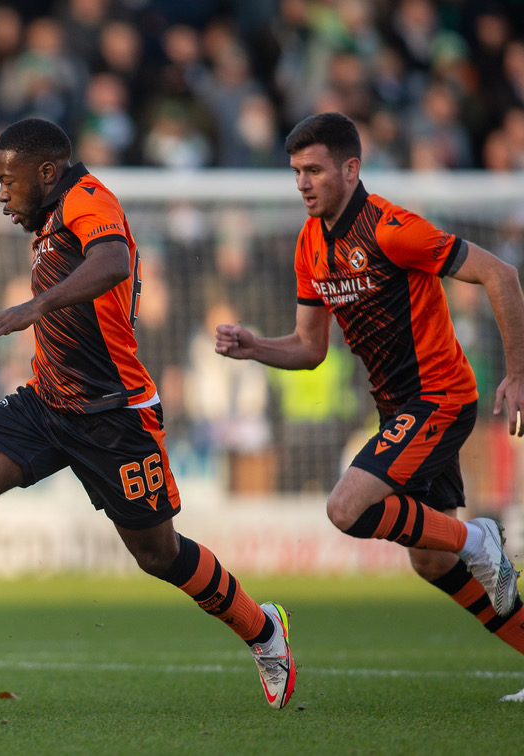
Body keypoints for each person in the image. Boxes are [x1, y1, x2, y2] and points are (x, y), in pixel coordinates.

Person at [0, 118, 296, 709]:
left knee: (158, 554)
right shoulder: (50, 211)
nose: (2, 192)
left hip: (115, 412)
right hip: (49, 399)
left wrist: (38, 305)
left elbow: (112, 264)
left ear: (47, 172)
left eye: (8, 180)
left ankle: (263, 630)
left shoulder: (89, 201)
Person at [215, 111, 524, 699]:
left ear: (351, 169)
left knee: (346, 508)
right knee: (429, 561)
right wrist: (257, 346)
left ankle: (482, 541)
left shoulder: (391, 228)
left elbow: (500, 273)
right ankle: (478, 555)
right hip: (399, 410)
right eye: (296, 172)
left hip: (440, 398)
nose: (303, 183)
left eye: (314, 170)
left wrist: (519, 372)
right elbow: (309, 349)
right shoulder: (311, 242)